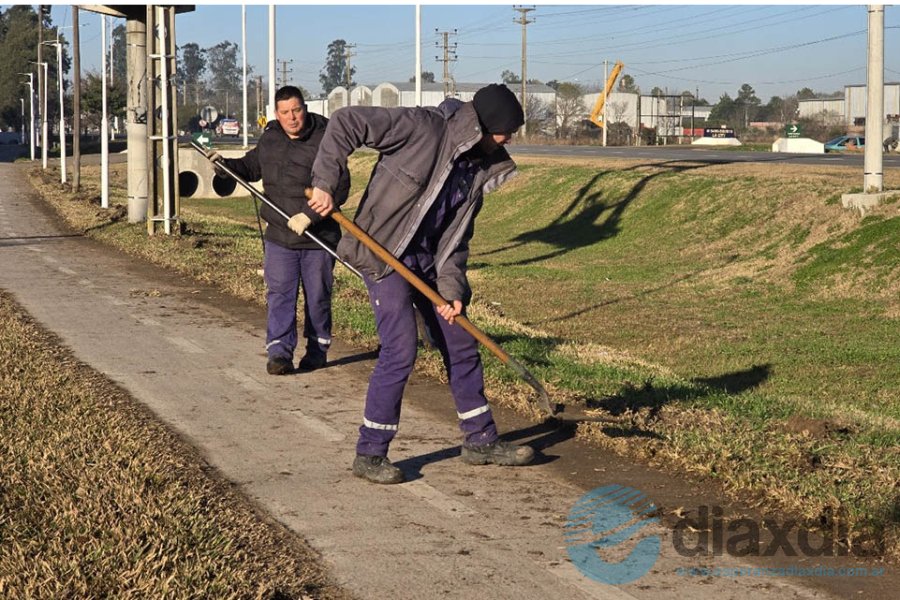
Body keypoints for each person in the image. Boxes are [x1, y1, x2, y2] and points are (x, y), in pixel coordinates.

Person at [301, 83, 535, 484]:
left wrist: (452, 291)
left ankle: (480, 441)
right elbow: (346, 121)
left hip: (427, 261)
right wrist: (324, 182)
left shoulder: (477, 169)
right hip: (382, 254)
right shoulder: (420, 127)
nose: (509, 139)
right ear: (485, 126)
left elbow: (455, 239)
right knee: (400, 349)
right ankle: (370, 453)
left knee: (460, 339)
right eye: (506, 131)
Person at [210, 86, 349, 375]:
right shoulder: (271, 138)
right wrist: (226, 166)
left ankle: (317, 350)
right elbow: (250, 166)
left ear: (305, 109)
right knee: (280, 294)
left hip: (317, 238)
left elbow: (339, 186)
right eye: (285, 112)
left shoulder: (326, 139)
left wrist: (310, 215)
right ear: (277, 114)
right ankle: (279, 353)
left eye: (296, 110)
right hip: (280, 236)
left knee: (318, 297)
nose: (292, 118)